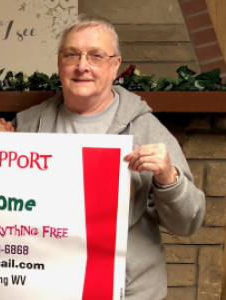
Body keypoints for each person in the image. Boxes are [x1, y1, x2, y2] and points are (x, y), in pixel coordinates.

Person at [11, 15, 205, 299]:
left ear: (115, 66)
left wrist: (169, 179)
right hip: (46, 286)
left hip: (129, 291)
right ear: (59, 63)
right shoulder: (26, 125)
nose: (82, 66)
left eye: (96, 56)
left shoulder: (145, 127)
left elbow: (188, 224)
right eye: (72, 54)